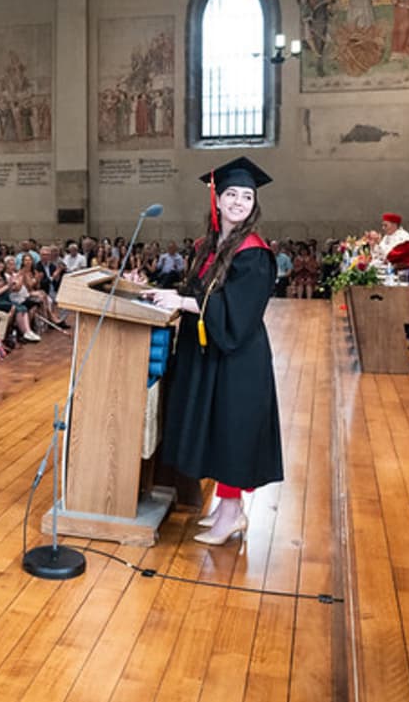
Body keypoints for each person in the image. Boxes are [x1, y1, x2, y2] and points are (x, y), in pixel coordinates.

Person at [155, 157, 282, 547]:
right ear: (217, 199)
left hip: (238, 355)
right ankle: (228, 509)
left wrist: (184, 303)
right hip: (212, 354)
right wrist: (164, 293)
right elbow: (199, 291)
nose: (239, 202)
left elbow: (237, 310)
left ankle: (231, 515)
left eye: (247, 196)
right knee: (217, 427)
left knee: (232, 431)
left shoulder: (253, 253)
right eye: (232, 194)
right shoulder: (209, 246)